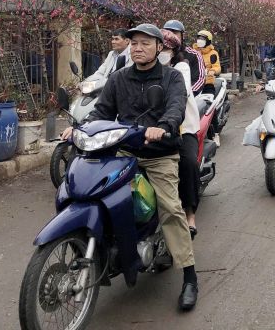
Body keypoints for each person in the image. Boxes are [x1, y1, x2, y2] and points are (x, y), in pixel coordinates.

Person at [61, 23, 199, 311]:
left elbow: (176, 106)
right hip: (123, 150)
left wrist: (163, 127)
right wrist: (80, 129)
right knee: (96, 191)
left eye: (145, 43)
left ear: (159, 47)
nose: (137, 47)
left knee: (171, 208)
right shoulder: (119, 78)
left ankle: (189, 276)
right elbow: (102, 112)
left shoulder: (172, 77)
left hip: (159, 153)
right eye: (134, 42)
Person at [167, 33, 202, 240]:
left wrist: (168, 121)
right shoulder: (130, 70)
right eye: (135, 44)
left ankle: (189, 214)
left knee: (188, 163)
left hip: (181, 126)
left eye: (166, 48)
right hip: (145, 129)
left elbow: (180, 95)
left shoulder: (181, 67)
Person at [162, 20, 206, 94]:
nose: (170, 36)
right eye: (167, 32)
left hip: (188, 97)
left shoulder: (193, 54)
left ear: (183, 36)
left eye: (175, 32)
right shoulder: (156, 54)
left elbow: (200, 80)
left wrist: (185, 94)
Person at [193, 30, 221, 96]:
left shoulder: (213, 53)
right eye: (199, 38)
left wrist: (212, 71)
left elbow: (217, 66)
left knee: (208, 100)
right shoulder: (193, 52)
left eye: (202, 39)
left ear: (208, 41)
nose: (199, 40)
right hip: (194, 83)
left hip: (207, 82)